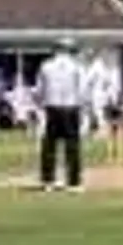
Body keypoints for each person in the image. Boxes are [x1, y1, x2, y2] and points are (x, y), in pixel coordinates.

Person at [35, 36, 88, 192]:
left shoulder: (46, 66)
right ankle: (73, 182)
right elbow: (82, 90)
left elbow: (39, 89)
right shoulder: (76, 66)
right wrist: (83, 109)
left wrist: (40, 105)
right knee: (72, 146)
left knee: (49, 146)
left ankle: (48, 181)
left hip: (51, 108)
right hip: (71, 108)